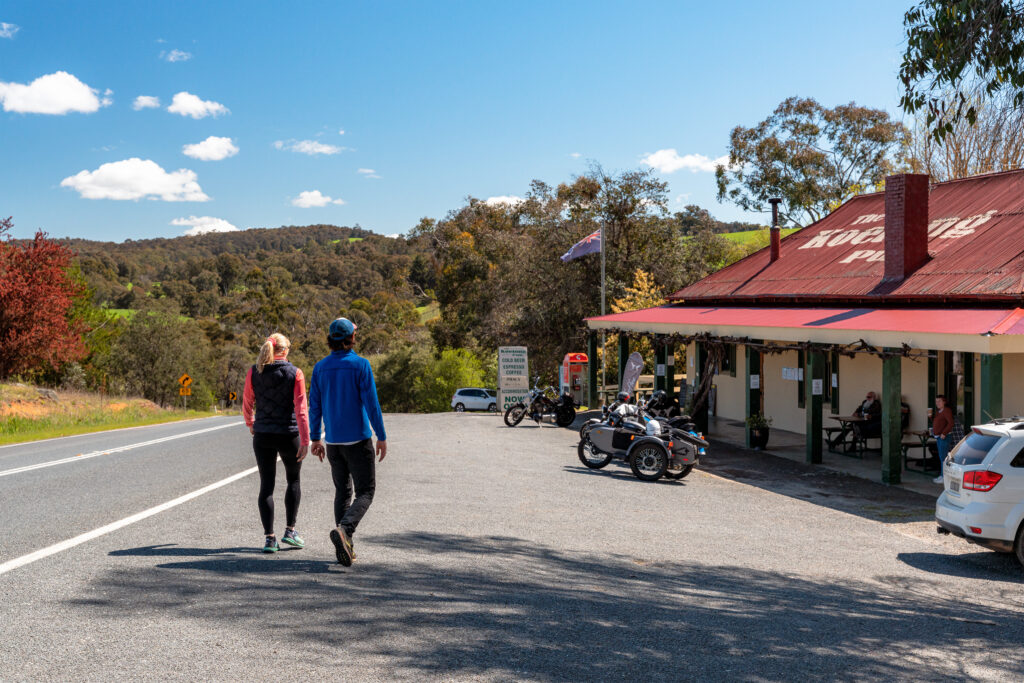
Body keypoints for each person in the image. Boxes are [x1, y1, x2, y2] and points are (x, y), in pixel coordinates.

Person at [308, 318, 388, 567]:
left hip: (333, 442)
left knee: (343, 491)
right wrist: (381, 436)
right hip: (358, 440)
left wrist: (314, 437)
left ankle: (345, 544)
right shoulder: (360, 365)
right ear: (349, 339)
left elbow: (315, 406)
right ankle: (344, 530)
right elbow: (372, 404)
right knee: (366, 491)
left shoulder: (320, 368)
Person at [242, 332, 310, 553]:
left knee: (266, 486)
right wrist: (306, 440)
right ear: (286, 350)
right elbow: (301, 410)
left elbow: (247, 401)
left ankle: (270, 539)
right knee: (293, 481)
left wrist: (250, 423)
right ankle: (290, 530)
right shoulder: (295, 373)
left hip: (263, 435)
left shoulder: (255, 371)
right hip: (289, 434)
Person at [932, 394, 954, 484]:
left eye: (939, 401)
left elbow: (951, 423)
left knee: (944, 458)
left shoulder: (946, 410)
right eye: (936, 401)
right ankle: (942, 475)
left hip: (944, 437)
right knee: (941, 457)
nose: (937, 403)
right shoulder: (939, 411)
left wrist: (944, 433)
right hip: (938, 437)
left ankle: (944, 477)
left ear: (944, 402)